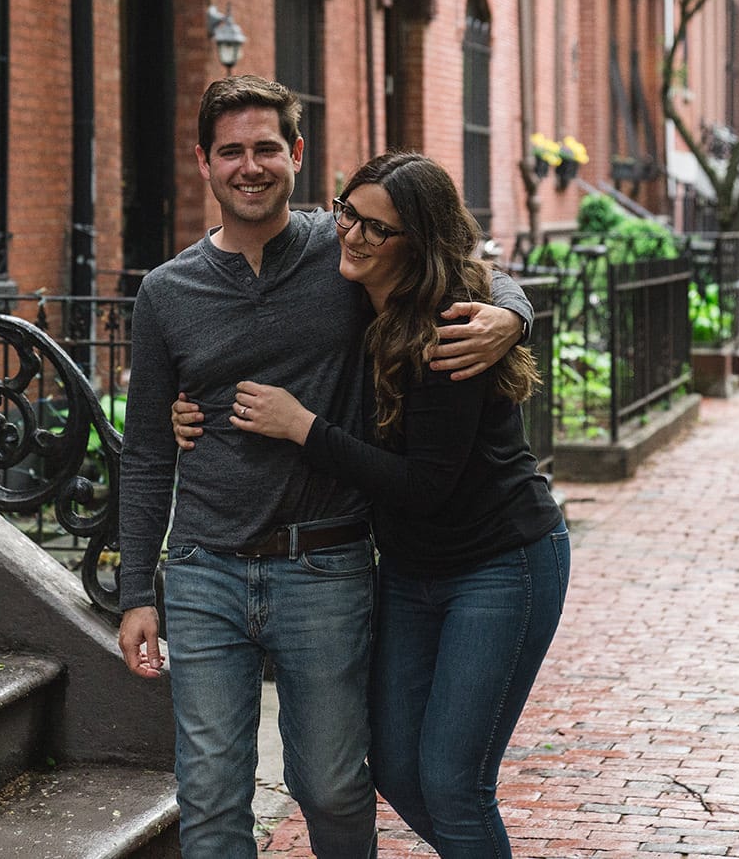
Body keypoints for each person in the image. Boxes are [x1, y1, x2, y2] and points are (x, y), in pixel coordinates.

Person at [115, 76, 531, 859]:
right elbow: (144, 453)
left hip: (327, 562)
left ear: (296, 154)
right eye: (230, 150)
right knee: (209, 796)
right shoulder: (166, 293)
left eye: (266, 147)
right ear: (202, 161)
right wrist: (138, 588)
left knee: (335, 786)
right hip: (204, 567)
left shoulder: (346, 254)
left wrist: (512, 311)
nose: (250, 165)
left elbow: (455, 265)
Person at [213, 151, 569, 858]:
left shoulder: (449, 330)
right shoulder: (347, 277)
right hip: (410, 570)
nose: (353, 236)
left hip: (500, 563)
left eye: (379, 229)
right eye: (348, 212)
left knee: (452, 781)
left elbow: (421, 485)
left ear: (420, 242)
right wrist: (181, 405)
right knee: (401, 769)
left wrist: (302, 427)